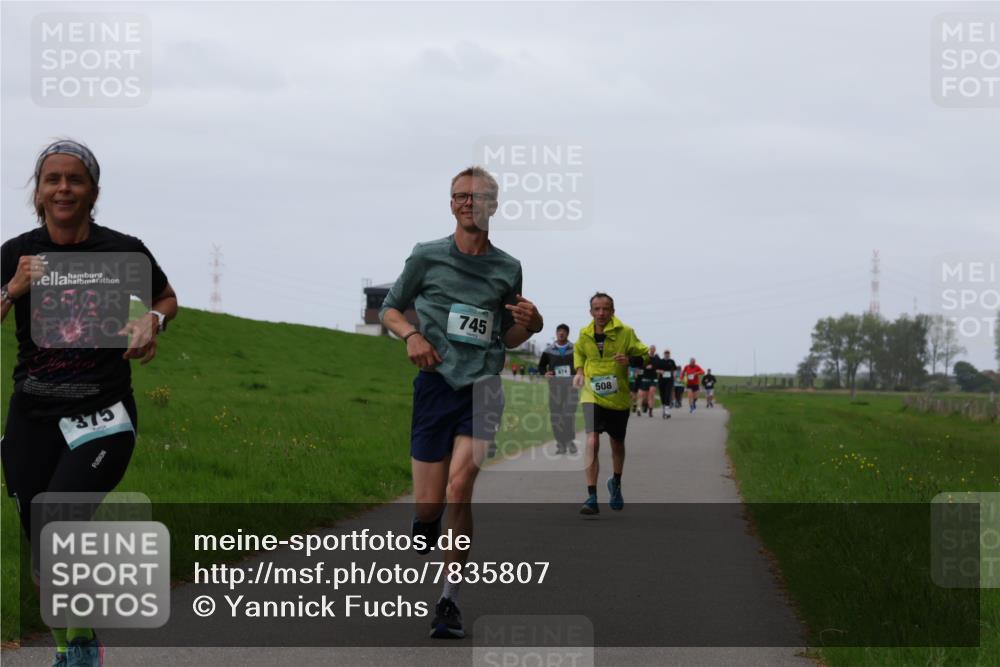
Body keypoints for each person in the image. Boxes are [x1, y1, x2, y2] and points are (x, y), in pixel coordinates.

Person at [1, 139, 177, 667]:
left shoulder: (122, 250)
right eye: (52, 179)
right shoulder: (17, 252)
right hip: (31, 416)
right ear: (38, 192)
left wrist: (153, 319)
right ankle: (72, 646)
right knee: (43, 552)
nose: (62, 188)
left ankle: (80, 653)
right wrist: (13, 288)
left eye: (74, 179)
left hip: (102, 416)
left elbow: (167, 297)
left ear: (92, 192)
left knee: (60, 522)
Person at [379, 166, 543, 639]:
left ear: (494, 205)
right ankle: (424, 521)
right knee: (430, 503)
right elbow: (391, 308)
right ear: (451, 204)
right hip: (434, 385)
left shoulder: (508, 267)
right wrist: (411, 335)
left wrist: (531, 325)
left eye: (479, 196)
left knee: (461, 485)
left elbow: (507, 337)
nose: (469, 202)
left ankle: (449, 600)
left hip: (484, 386)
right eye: (460, 196)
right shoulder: (426, 256)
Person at [572, 293, 649, 515]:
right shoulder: (584, 334)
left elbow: (645, 355)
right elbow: (578, 353)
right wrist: (579, 371)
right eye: (596, 309)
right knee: (592, 440)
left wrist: (631, 360)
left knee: (617, 443)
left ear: (612, 311)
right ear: (590, 312)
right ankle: (591, 496)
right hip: (591, 394)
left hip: (618, 398)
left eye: (605, 309)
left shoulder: (626, 332)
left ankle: (615, 482)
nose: (601, 313)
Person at [538, 324, 579, 455]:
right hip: (555, 388)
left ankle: (570, 441)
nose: (561, 333)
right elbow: (541, 367)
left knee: (568, 415)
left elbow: (581, 365)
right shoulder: (549, 350)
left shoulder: (575, 349)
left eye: (564, 331)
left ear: (568, 334)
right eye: (559, 331)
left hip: (571, 387)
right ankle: (560, 443)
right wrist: (545, 373)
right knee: (556, 416)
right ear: (556, 333)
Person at [654, 348, 678, 419]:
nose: (667, 354)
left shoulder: (672, 361)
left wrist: (674, 375)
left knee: (668, 394)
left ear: (669, 354)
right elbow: (656, 370)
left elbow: (675, 370)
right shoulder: (660, 361)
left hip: (669, 380)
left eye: (668, 353)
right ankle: (664, 408)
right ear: (664, 354)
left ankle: (667, 411)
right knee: (662, 395)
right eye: (666, 353)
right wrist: (660, 371)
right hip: (662, 380)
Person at [638, 345, 659, 418]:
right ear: (649, 350)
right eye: (651, 349)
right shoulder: (645, 357)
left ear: (655, 350)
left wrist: (653, 367)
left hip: (653, 379)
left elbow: (659, 365)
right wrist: (645, 367)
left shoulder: (657, 358)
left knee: (651, 394)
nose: (652, 350)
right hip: (645, 378)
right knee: (643, 396)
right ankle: (642, 406)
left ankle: (650, 411)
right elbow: (640, 366)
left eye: (653, 349)